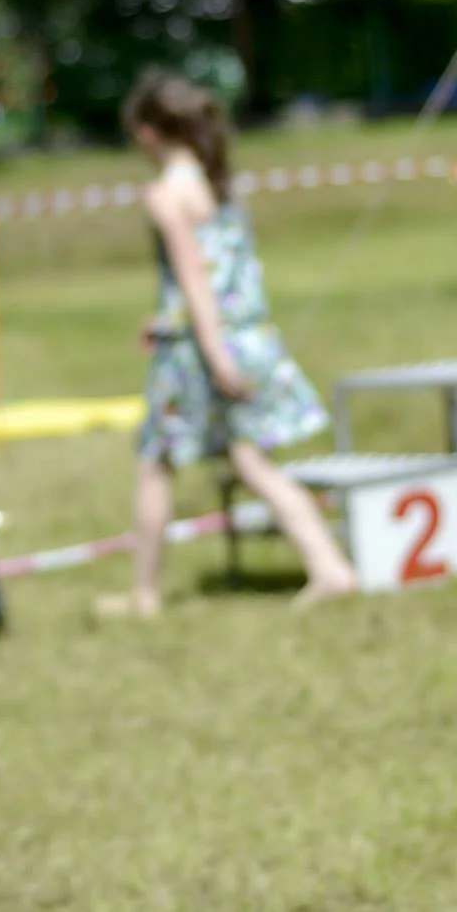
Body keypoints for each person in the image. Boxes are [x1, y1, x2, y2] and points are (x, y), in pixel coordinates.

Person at [102, 70, 355, 616]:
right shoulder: (220, 183)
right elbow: (223, 274)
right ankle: (329, 566)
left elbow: (195, 280)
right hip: (251, 334)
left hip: (203, 349)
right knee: (250, 461)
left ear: (148, 133)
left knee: (156, 463)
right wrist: (168, 319)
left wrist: (214, 355)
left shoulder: (166, 194)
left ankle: (145, 594)